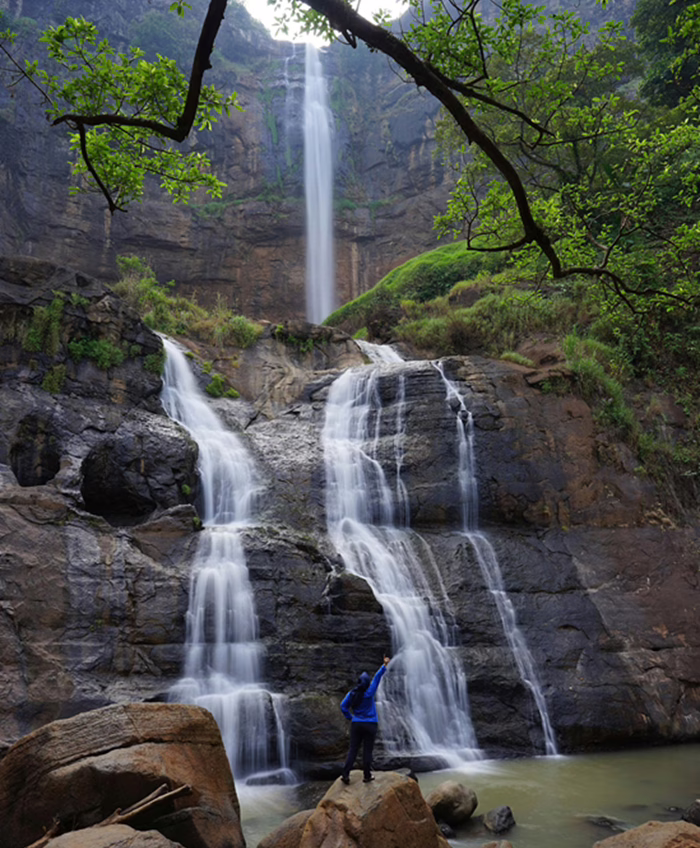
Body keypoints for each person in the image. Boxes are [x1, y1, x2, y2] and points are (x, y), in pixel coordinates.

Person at [339, 655, 390, 785]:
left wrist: (350, 717)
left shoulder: (352, 694)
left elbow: (343, 706)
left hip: (357, 724)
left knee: (353, 750)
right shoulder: (369, 692)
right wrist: (384, 665)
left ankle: (345, 774)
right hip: (371, 724)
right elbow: (377, 678)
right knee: (367, 751)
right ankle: (367, 775)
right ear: (367, 684)